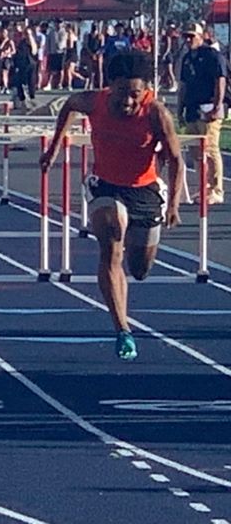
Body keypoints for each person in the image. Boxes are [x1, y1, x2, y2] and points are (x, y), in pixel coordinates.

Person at [40, 50, 182, 360]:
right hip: (105, 185)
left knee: (140, 268)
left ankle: (127, 303)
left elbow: (175, 160)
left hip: (145, 191)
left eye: (135, 93)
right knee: (112, 240)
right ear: (110, 87)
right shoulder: (93, 101)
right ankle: (123, 329)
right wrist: (53, 149)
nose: (128, 101)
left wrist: (173, 205)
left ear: (146, 90)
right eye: (121, 92)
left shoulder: (156, 114)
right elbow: (68, 106)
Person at [177, 22, 225, 205]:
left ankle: (216, 189)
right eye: (186, 37)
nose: (189, 40)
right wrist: (180, 109)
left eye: (192, 36)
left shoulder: (212, 55)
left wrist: (216, 106)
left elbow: (219, 81)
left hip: (208, 107)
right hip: (192, 108)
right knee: (196, 150)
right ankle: (203, 187)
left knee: (211, 148)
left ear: (201, 36)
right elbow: (183, 86)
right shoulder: (187, 58)